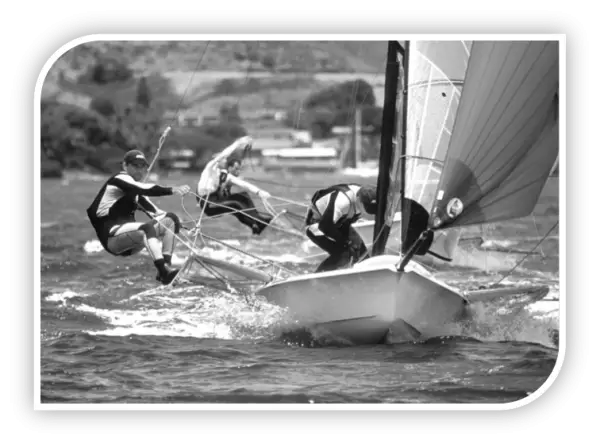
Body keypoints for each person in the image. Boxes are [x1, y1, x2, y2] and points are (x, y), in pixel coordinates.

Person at [86, 149, 191, 285]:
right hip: (112, 238)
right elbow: (144, 188)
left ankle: (166, 269)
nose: (140, 170)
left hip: (131, 239)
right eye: (135, 166)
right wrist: (172, 189)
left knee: (171, 219)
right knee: (146, 228)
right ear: (125, 165)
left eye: (143, 166)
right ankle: (163, 271)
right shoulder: (119, 179)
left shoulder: (136, 193)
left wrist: (180, 226)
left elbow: (157, 213)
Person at [196, 136, 273, 235]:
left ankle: (255, 225)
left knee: (243, 196)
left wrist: (259, 192)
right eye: (223, 159)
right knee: (235, 204)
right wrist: (238, 143)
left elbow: (243, 184)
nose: (225, 161)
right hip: (208, 205)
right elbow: (223, 155)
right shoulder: (209, 169)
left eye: (225, 160)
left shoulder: (224, 175)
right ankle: (258, 221)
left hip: (217, 201)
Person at [305, 183, 378, 272]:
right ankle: (316, 277)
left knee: (361, 252)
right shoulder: (342, 201)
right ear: (358, 199)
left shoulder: (367, 194)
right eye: (366, 207)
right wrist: (345, 241)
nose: (368, 212)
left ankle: (366, 275)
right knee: (344, 254)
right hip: (318, 225)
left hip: (339, 223)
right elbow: (325, 226)